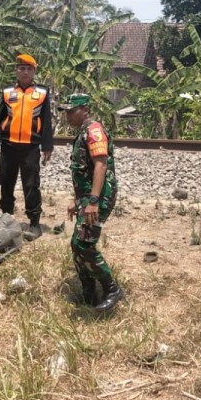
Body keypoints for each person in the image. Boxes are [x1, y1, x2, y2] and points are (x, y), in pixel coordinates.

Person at [61, 93, 123, 313]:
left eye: (71, 111)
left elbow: (100, 166)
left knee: (83, 244)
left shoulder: (94, 131)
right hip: (88, 197)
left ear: (85, 109)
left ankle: (111, 288)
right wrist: (77, 199)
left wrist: (94, 201)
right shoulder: (84, 132)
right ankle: (88, 294)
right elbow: (83, 171)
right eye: (65, 111)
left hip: (99, 196)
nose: (67, 115)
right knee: (77, 245)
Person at [0, 53, 53, 238]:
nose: (24, 72)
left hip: (31, 147)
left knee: (31, 185)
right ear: (16, 70)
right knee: (6, 182)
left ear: (34, 71)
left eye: (28, 69)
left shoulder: (42, 93)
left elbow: (46, 122)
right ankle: (5, 217)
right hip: (9, 146)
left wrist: (47, 146)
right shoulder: (8, 93)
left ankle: (34, 222)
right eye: (21, 68)